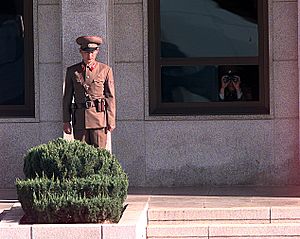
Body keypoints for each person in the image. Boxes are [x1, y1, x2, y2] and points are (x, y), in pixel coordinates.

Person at [63, 35, 115, 149]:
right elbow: (67, 97)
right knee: (81, 156)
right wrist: (66, 121)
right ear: (81, 52)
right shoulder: (72, 71)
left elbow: (110, 97)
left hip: (99, 120)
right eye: (86, 52)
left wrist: (110, 120)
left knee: (100, 155)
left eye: (92, 52)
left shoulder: (105, 70)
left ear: (97, 52)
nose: (89, 56)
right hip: (80, 120)